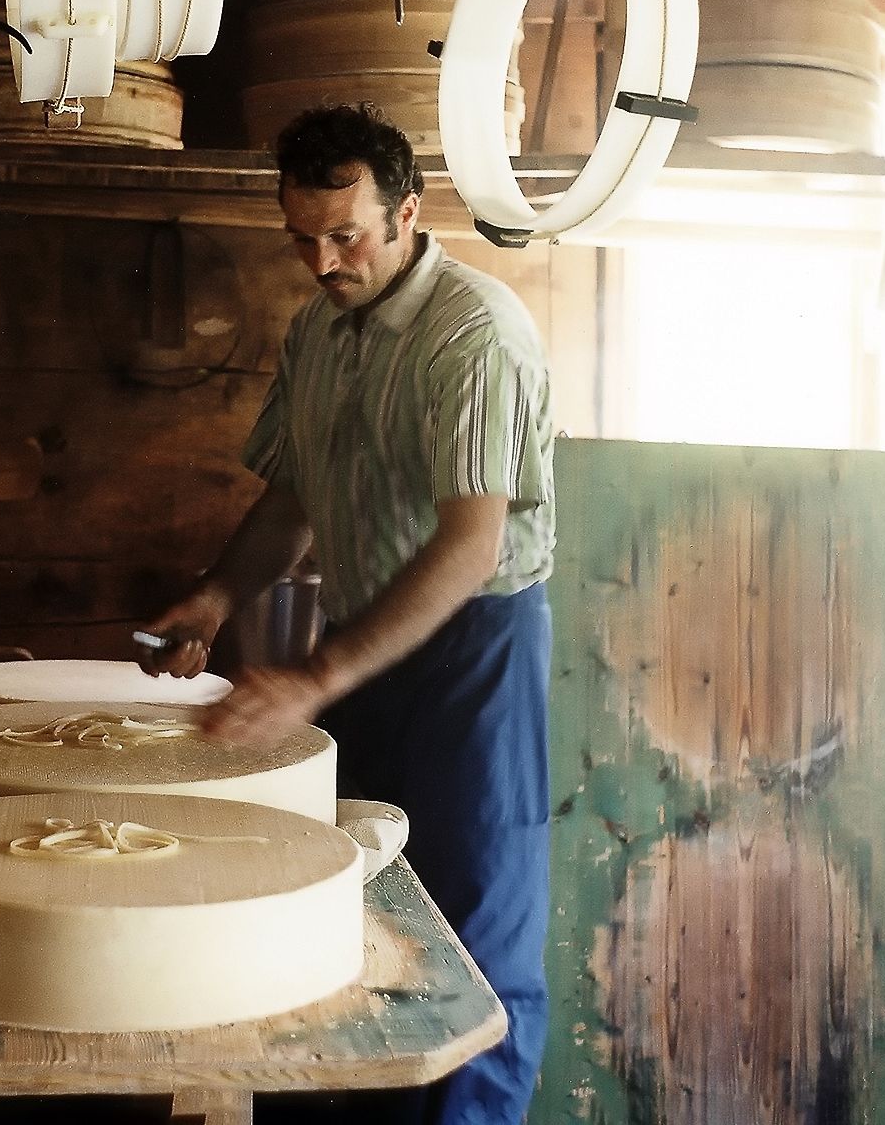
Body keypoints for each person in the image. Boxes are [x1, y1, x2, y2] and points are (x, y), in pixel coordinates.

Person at [137, 103, 556, 1125]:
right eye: (302, 240)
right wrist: (221, 592)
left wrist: (316, 677)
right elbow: (290, 497)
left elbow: (469, 548)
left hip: (476, 651)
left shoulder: (476, 331)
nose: (323, 262)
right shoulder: (318, 331)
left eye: (346, 235)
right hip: (365, 643)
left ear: (407, 211)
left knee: (473, 936)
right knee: (340, 905)